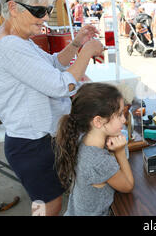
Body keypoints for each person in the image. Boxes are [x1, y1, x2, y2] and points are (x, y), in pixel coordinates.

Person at [0, 0, 104, 216]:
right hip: (32, 144)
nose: (46, 17)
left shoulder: (18, 40)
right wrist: (87, 52)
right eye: (39, 10)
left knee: (50, 201)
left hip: (39, 140)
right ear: (13, 8)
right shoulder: (9, 46)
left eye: (48, 10)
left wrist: (76, 43)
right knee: (49, 205)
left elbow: (53, 64)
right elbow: (60, 85)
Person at [54, 83, 134, 216]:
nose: (124, 120)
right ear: (98, 121)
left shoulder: (83, 139)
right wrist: (119, 152)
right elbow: (128, 185)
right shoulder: (99, 161)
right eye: (119, 114)